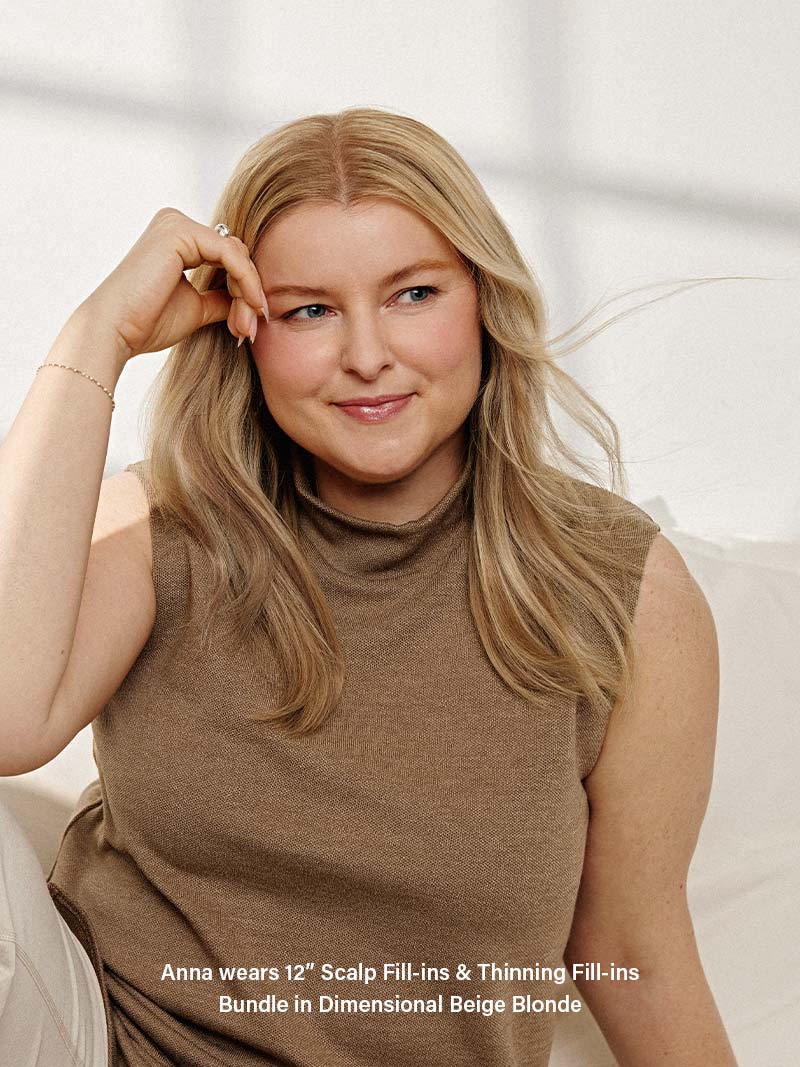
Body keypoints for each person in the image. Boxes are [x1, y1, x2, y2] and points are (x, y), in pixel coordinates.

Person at [0, 106, 738, 1066]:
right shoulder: (158, 529)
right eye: (308, 309)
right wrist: (99, 333)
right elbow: (5, 716)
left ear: (483, 301)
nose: (366, 355)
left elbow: (632, 943)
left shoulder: (621, 589)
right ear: (243, 327)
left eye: (413, 294)